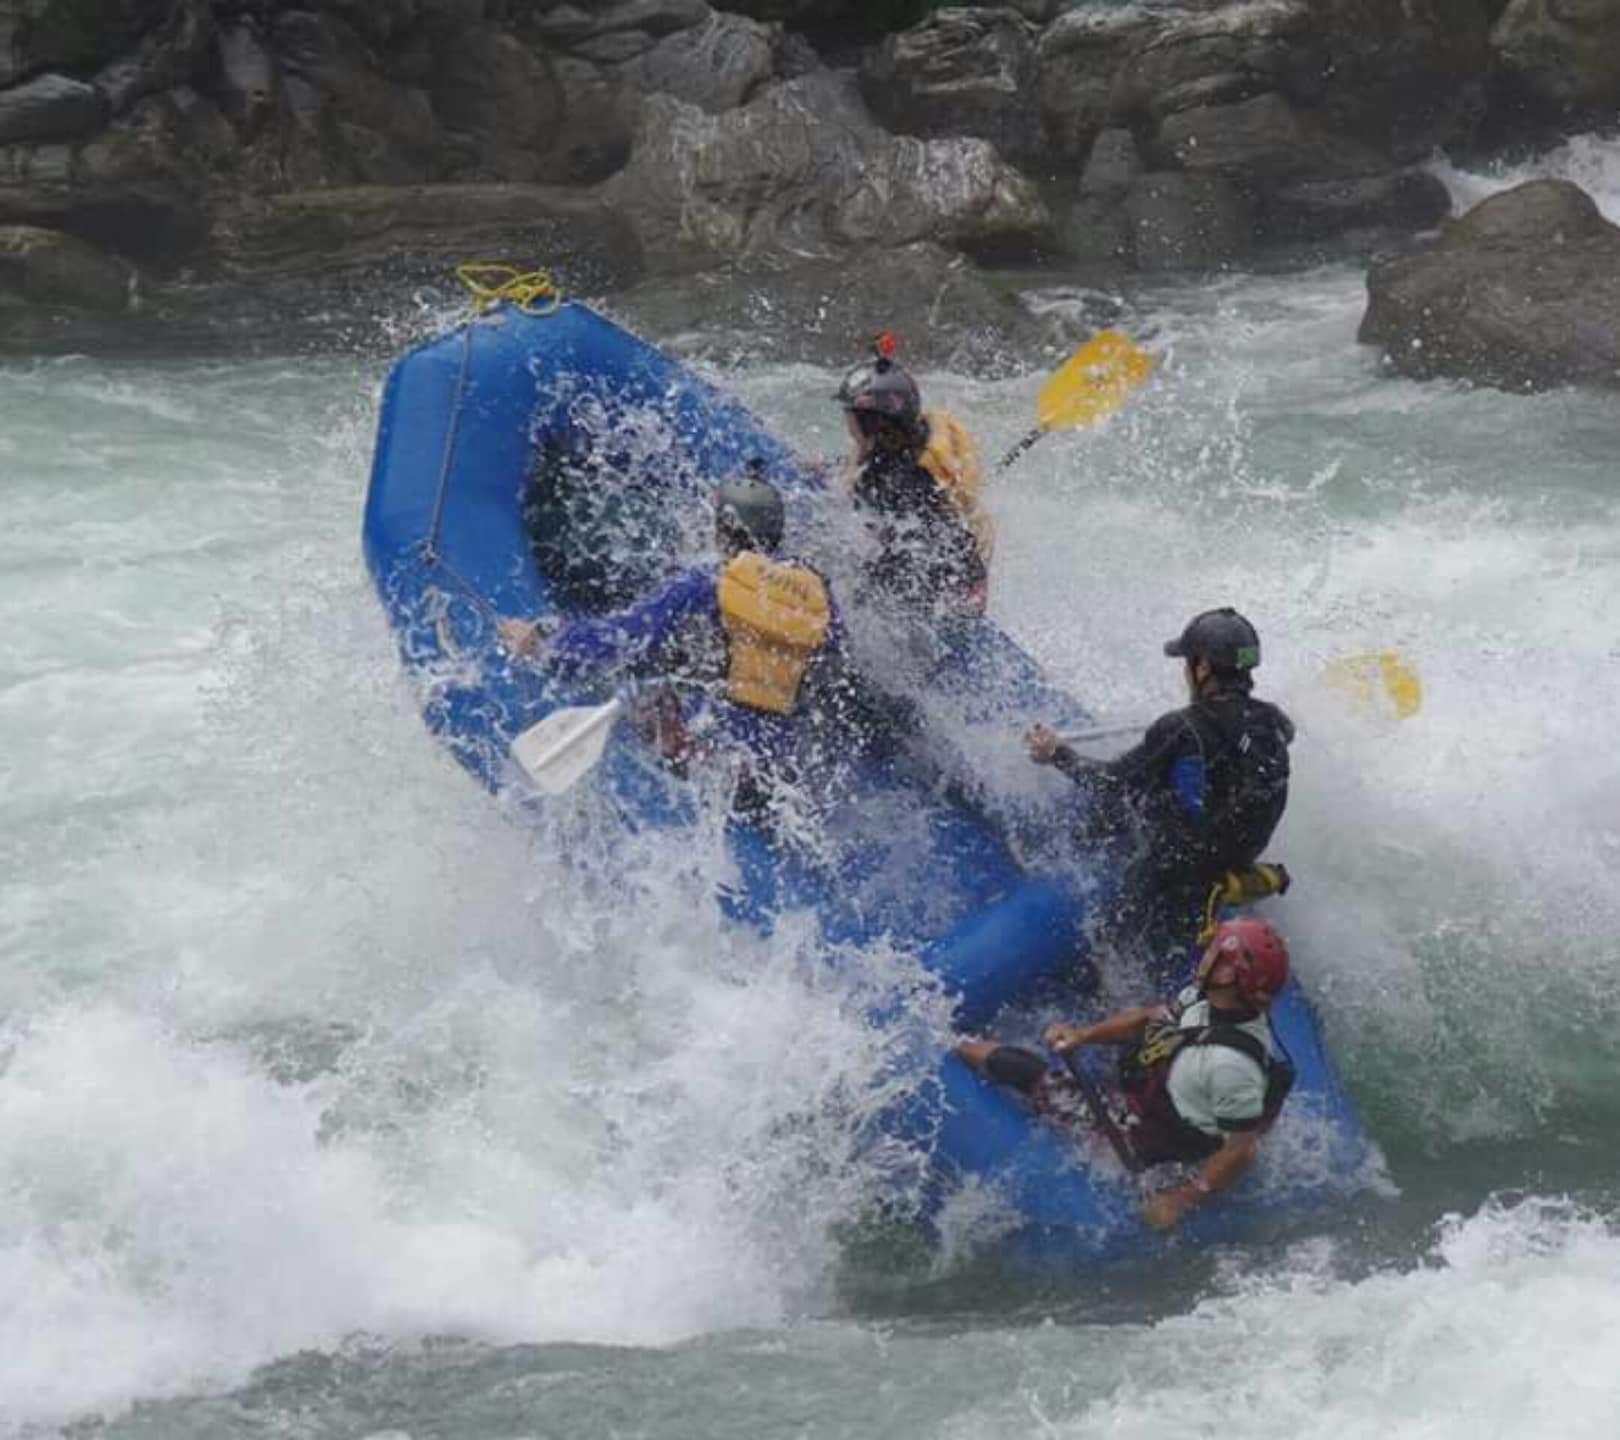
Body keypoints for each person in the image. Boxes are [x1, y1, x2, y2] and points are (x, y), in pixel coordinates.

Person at [499, 465, 860, 792]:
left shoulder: (706, 582)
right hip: (783, 769)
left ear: (723, 529)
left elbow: (624, 638)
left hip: (716, 762)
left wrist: (544, 643)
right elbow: (834, 673)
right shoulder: (816, 593)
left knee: (650, 695)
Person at [954, 916, 1295, 1229]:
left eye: (1214, 950)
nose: (1205, 953)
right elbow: (1151, 1018)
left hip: (1142, 1136)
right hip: (1167, 1096)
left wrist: (1182, 1198)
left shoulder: (1227, 1064)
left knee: (1023, 1070)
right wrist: (1082, 1035)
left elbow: (1241, 1150)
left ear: (1226, 974)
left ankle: (949, 1044)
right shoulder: (1208, 998)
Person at [1026, 607, 1295, 970]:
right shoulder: (1276, 722)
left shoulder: (1180, 728)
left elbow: (1109, 784)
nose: (1185, 672)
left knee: (1127, 799)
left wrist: (1058, 754)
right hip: (1235, 860)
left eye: (1187, 663)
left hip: (1176, 879)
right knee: (1170, 787)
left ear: (1202, 668)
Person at [835, 341, 988, 617]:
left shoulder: (899, 482)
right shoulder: (910, 442)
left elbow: (922, 549)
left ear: (875, 423)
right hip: (958, 569)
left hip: (944, 591)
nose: (846, 423)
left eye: (851, 415)